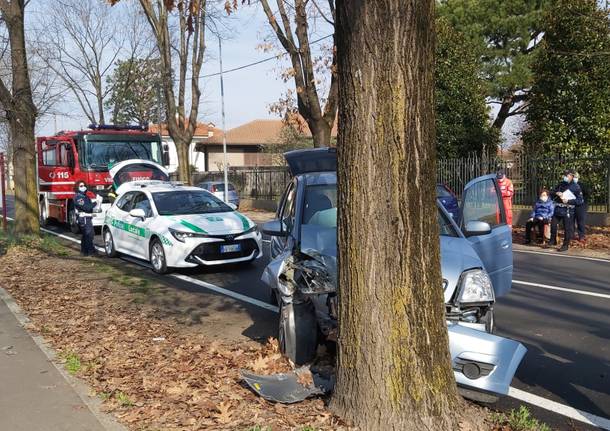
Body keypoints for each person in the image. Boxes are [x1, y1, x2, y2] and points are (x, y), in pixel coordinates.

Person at [550, 170, 583, 252]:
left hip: (568, 210)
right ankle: (553, 240)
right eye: (564, 175)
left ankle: (565, 245)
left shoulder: (576, 187)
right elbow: (552, 193)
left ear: (571, 176)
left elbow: (580, 200)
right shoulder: (561, 184)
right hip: (558, 208)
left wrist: (568, 201)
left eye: (567, 175)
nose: (565, 176)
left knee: (567, 229)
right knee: (553, 225)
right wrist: (556, 193)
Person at [74, 181, 101, 256]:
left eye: (84, 185)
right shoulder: (79, 198)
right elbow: (87, 207)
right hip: (84, 218)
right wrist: (96, 202)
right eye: (81, 186)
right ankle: (91, 251)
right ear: (77, 187)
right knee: (89, 234)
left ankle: (84, 251)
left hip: (87, 217)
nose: (83, 187)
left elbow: (89, 207)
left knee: (86, 235)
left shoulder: (84, 196)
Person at [573, 172, 588, 242]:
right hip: (571, 205)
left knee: (581, 221)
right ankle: (571, 235)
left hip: (581, 206)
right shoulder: (569, 185)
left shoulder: (582, 185)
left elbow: (587, 193)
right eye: (573, 177)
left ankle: (581, 236)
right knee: (570, 222)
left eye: (576, 177)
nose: (575, 178)